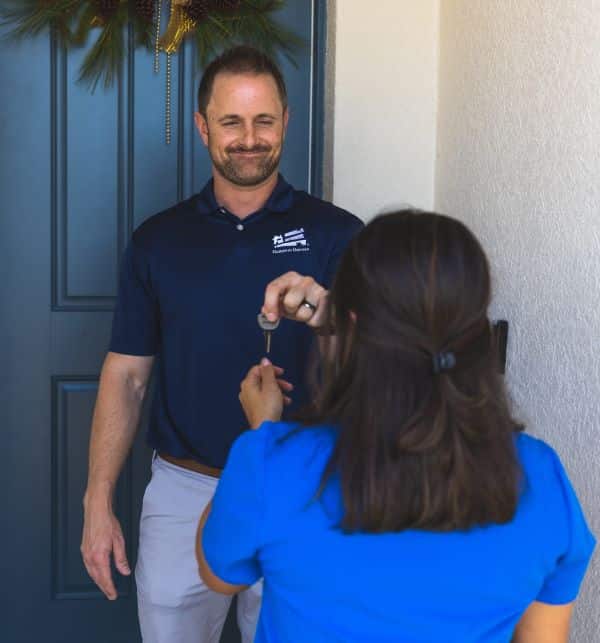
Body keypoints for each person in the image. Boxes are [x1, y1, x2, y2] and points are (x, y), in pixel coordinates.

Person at [196, 210, 596, 643]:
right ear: (476, 328)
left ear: (349, 325)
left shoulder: (273, 463)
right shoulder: (539, 475)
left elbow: (218, 574)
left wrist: (261, 432)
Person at [80, 45, 362, 643]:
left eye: (264, 121)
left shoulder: (338, 233)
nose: (249, 138)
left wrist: (328, 314)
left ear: (286, 122)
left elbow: (380, 366)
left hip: (306, 483)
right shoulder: (158, 241)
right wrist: (97, 500)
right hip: (185, 488)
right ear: (203, 126)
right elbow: (127, 376)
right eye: (231, 122)